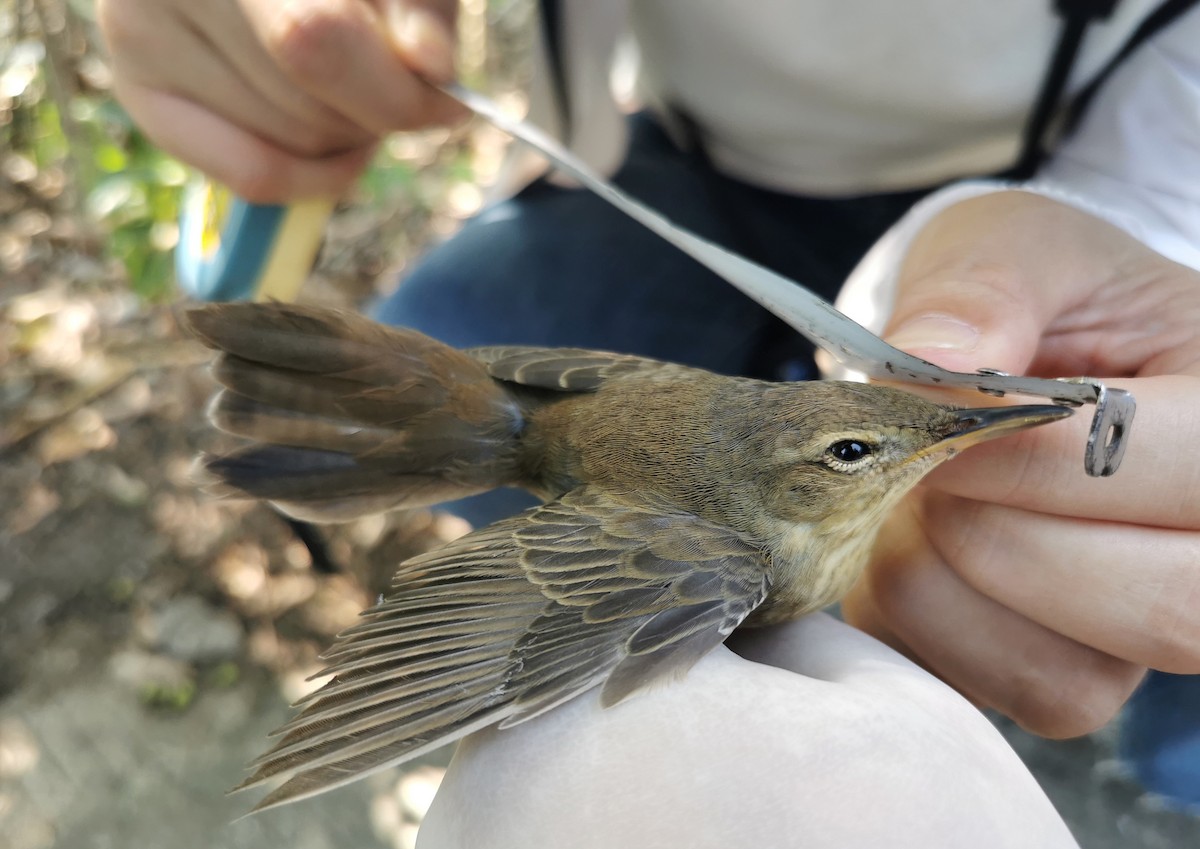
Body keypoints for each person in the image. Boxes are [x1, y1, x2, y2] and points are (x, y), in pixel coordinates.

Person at [96, 0, 1200, 835]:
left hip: (1104, 168)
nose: (913, 446)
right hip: (680, 159)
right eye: (858, 449)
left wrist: (1137, 229)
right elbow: (542, 605)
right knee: (442, 319)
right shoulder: (721, 556)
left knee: (1164, 669)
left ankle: (1165, 777)